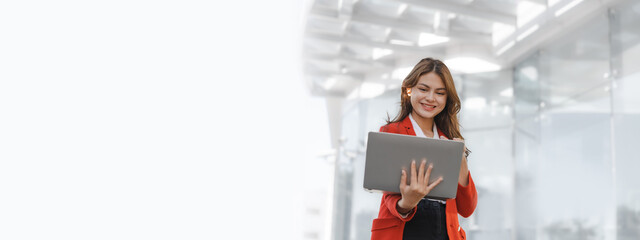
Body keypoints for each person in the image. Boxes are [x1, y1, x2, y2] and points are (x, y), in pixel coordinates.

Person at [370, 58, 477, 240]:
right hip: (405, 227)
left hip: (444, 229)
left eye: (440, 93)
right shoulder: (392, 132)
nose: (430, 98)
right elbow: (388, 194)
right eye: (423, 89)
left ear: (447, 98)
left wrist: (462, 164)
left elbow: (467, 209)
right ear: (409, 89)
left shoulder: (449, 140)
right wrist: (406, 203)